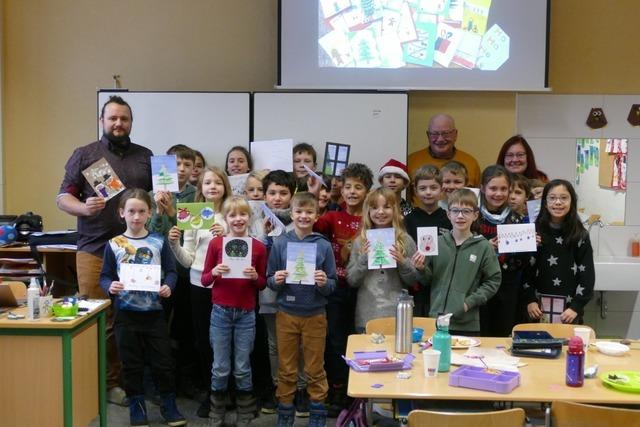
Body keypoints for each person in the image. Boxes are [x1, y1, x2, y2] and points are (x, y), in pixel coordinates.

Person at [57, 95, 152, 406]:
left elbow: (158, 196)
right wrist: (84, 207)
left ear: (131, 123)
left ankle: (131, 381)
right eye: (112, 118)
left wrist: (164, 201)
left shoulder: (145, 156)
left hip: (136, 250)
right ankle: (105, 383)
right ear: (102, 121)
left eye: (124, 119)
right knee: (100, 319)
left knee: (133, 317)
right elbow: (62, 198)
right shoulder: (85, 155)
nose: (118, 123)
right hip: (95, 249)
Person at [99, 189, 186, 427]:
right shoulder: (115, 244)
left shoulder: (159, 241)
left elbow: (171, 271)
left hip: (155, 314)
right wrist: (111, 286)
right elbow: (105, 276)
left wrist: (168, 285)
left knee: (163, 362)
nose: (136, 217)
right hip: (125, 315)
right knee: (131, 363)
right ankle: (137, 408)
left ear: (149, 213)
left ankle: (169, 405)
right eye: (131, 211)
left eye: (141, 212)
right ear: (121, 213)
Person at [267, 192, 337, 427]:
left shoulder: (323, 245)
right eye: (299, 211)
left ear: (317, 215)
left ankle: (317, 415)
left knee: (315, 369)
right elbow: (270, 280)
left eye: (309, 212)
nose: (304, 216)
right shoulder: (281, 242)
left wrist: (323, 282)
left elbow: (332, 284)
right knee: (286, 369)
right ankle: (285, 414)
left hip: (315, 315)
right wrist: (276, 279)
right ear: (292, 213)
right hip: (286, 313)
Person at [167, 165, 230, 417]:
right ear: (200, 188)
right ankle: (211, 393)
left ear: (225, 186)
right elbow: (188, 259)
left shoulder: (233, 211)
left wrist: (226, 236)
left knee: (228, 342)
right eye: (207, 183)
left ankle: (229, 392)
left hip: (228, 287)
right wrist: (173, 244)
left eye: (217, 182)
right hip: (199, 285)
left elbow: (248, 248)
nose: (212, 186)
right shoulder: (196, 214)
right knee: (203, 342)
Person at [201, 196, 268, 427]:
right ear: (226, 218)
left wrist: (255, 277)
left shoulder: (258, 247)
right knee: (220, 367)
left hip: (246, 314)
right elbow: (204, 280)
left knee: (242, 366)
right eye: (232, 215)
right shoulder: (216, 244)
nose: (238, 219)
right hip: (220, 312)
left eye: (243, 214)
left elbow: (262, 284)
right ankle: (216, 412)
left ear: (249, 217)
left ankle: (245, 412)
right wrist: (215, 272)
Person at [313, 162, 373, 416]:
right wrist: (316, 196)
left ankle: (361, 390)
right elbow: (310, 227)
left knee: (361, 339)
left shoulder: (372, 219)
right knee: (336, 340)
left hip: (365, 287)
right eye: (347, 186)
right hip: (336, 287)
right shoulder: (332, 217)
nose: (352, 192)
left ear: (367, 191)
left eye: (358, 187)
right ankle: (338, 389)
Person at [414, 189, 501, 335]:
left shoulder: (483, 246)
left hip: (466, 324)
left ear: (475, 215)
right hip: (436, 320)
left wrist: (468, 303)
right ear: (448, 214)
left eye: (466, 211)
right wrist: (421, 269)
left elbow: (494, 281)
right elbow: (427, 280)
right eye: (455, 210)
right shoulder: (437, 243)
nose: (460, 216)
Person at [347, 188, 422, 332]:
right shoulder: (360, 242)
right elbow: (352, 281)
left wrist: (402, 262)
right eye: (375, 208)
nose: (380, 212)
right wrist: (364, 259)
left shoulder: (405, 240)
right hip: (367, 316)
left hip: (397, 316)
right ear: (368, 211)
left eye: (386, 207)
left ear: (395, 210)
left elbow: (413, 280)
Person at [523, 180, 595, 324]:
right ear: (544, 202)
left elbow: (587, 276)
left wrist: (576, 307)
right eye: (552, 198)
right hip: (537, 309)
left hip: (569, 312)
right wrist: (530, 300)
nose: (558, 202)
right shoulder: (533, 232)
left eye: (564, 198)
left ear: (572, 202)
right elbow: (526, 271)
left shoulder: (581, 235)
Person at [476, 165, 530, 337]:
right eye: (493, 188)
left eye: (503, 189)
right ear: (483, 189)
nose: (498, 193)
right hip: (479, 285)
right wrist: (485, 247)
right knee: (481, 333)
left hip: (508, 287)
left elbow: (525, 261)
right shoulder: (473, 218)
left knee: (504, 333)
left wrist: (530, 243)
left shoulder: (518, 219)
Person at [403, 165, 452, 316]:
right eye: (423, 188)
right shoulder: (408, 219)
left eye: (433, 187)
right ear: (416, 191)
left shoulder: (449, 218)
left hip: (442, 281)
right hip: (416, 282)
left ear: (442, 189)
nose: (428, 192)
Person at [407, 113, 481, 204]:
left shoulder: (470, 163)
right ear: (428, 135)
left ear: (455, 134)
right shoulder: (411, 161)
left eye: (446, 133)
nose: (440, 139)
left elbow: (476, 200)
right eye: (435, 134)